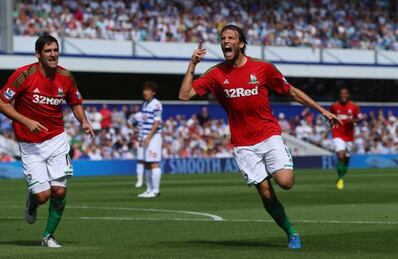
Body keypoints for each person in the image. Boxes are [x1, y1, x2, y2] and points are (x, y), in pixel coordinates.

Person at [178, 24, 341, 249]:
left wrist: (321, 110)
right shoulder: (216, 73)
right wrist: (193, 64)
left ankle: (278, 164)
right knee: (265, 193)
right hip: (243, 144)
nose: (225, 41)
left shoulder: (263, 68)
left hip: (268, 134)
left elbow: (292, 91)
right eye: (223, 38)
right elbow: (184, 95)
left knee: (286, 183)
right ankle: (291, 232)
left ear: (241, 44)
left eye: (231, 37)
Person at [0, 35, 94, 248]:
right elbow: (2, 104)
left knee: (59, 191)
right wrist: (25, 120)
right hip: (30, 144)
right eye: (48, 51)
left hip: (56, 139)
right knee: (42, 195)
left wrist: (84, 122)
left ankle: (48, 236)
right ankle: (32, 202)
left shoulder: (66, 76)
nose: (53, 54)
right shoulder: (24, 75)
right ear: (38, 54)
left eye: (55, 50)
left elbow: (75, 101)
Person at [329, 87, 362, 190]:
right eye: (341, 94)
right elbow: (330, 116)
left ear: (348, 95)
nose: (343, 95)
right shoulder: (334, 106)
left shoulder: (354, 106)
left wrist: (353, 121)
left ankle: (341, 176)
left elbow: (359, 118)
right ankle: (340, 178)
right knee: (341, 155)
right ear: (339, 95)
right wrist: (331, 122)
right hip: (337, 134)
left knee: (347, 159)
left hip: (349, 136)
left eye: (345, 94)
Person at [137, 81, 163, 198]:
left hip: (154, 137)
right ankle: (149, 189)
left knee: (153, 162)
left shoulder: (156, 104)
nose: (145, 92)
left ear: (153, 92)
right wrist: (141, 137)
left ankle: (156, 191)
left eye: (148, 90)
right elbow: (143, 122)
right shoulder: (145, 104)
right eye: (144, 90)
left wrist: (148, 137)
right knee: (147, 163)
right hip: (146, 137)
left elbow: (157, 122)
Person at [127, 107, 144, 188]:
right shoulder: (138, 115)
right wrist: (134, 129)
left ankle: (150, 181)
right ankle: (139, 180)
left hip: (151, 141)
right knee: (140, 160)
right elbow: (129, 122)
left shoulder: (154, 113)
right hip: (141, 140)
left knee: (151, 162)